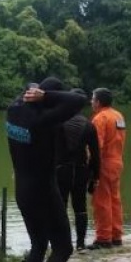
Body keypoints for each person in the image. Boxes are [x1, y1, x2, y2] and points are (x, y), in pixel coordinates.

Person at [7, 78, 88, 262]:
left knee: (39, 244)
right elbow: (79, 100)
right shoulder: (43, 120)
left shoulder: (12, 112)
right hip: (44, 188)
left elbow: (25, 98)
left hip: (22, 187)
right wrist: (47, 96)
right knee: (63, 247)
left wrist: (36, 92)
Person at [55, 89, 100, 251]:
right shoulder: (89, 125)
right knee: (80, 207)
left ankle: (62, 243)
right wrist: (96, 176)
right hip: (81, 170)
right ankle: (80, 244)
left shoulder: (58, 122)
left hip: (61, 170)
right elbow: (96, 154)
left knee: (61, 206)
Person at [88, 88, 126, 249]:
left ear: (98, 102)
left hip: (104, 163)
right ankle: (116, 235)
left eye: (92, 99)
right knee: (114, 199)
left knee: (101, 200)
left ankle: (104, 237)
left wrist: (90, 166)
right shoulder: (118, 116)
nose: (91, 102)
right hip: (117, 161)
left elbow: (96, 146)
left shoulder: (100, 118)